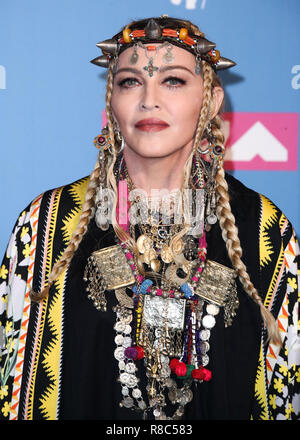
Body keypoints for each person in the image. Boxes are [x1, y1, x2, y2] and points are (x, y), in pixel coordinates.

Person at [0, 16, 299, 421]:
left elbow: (287, 393)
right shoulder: (47, 225)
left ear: (210, 101)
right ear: (111, 101)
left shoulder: (264, 229)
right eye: (130, 81)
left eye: (173, 80)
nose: (148, 100)